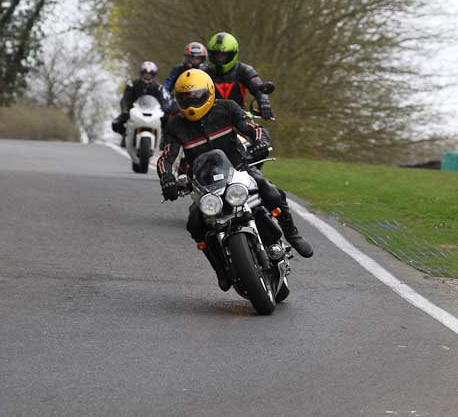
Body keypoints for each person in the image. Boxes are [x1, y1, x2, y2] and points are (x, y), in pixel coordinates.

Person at [157, 69, 313, 291]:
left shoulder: (227, 107)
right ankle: (220, 270)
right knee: (194, 222)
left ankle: (292, 234)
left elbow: (254, 128)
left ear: (209, 92)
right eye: (185, 98)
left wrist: (260, 143)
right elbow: (167, 158)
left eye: (196, 96)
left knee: (270, 191)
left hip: (239, 169)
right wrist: (166, 179)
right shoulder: (175, 125)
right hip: (205, 184)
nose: (191, 102)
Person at [205, 31, 273, 120]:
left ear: (233, 54)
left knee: (261, 133)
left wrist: (264, 102)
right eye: (216, 55)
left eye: (223, 55)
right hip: (210, 122)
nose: (219, 59)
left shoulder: (245, 70)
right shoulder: (203, 73)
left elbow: (258, 88)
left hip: (239, 120)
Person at [111, 61, 167, 141]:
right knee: (116, 124)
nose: (147, 77)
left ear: (153, 75)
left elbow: (163, 100)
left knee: (167, 121)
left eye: (149, 75)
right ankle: (125, 135)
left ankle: (163, 139)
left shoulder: (158, 87)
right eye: (145, 74)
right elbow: (126, 99)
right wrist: (125, 110)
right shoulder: (132, 84)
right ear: (141, 74)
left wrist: (164, 110)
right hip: (134, 110)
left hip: (152, 112)